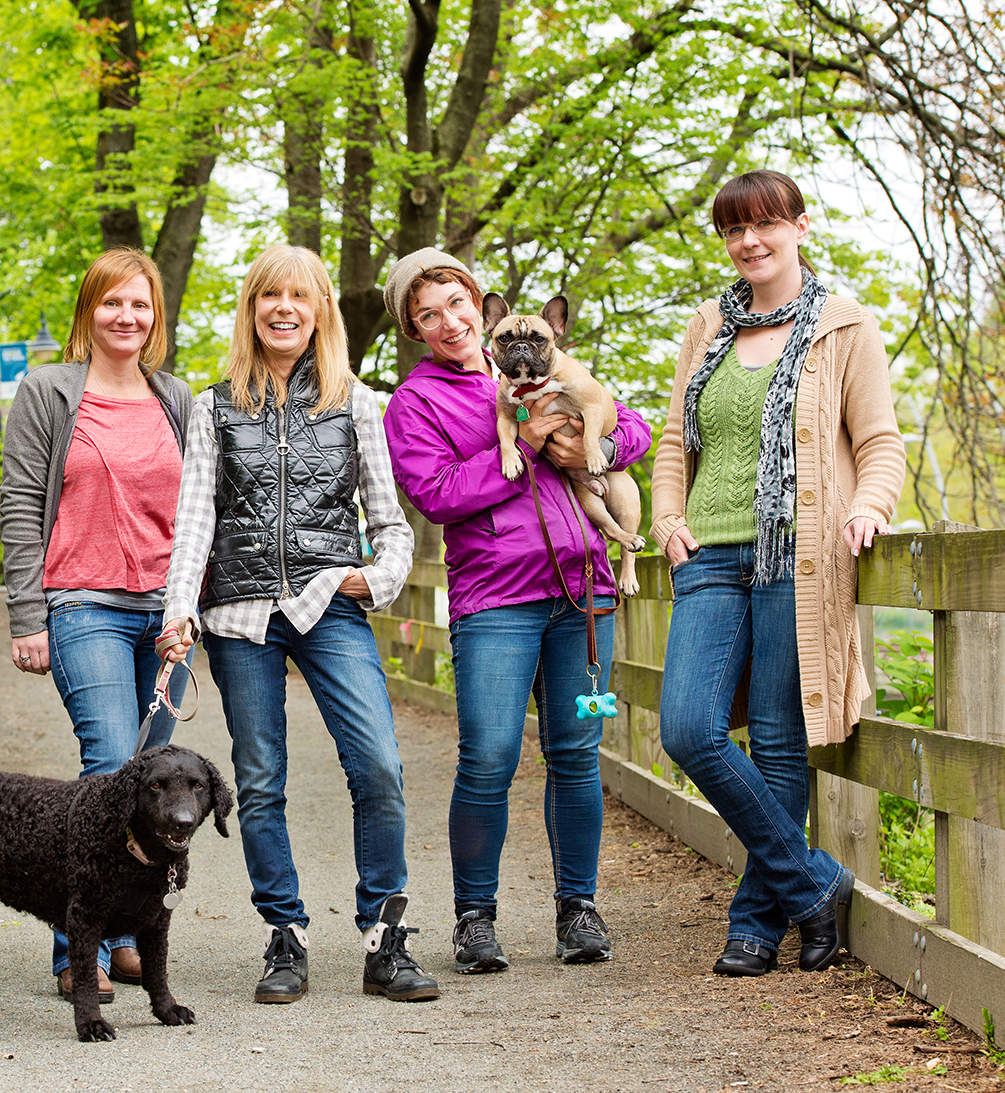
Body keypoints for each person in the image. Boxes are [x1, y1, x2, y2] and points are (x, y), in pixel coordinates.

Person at [160, 244, 439, 1005]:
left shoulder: (356, 402)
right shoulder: (212, 405)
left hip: (329, 605)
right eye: (268, 297)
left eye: (299, 297)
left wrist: (373, 577)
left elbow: (390, 521)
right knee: (259, 779)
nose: (284, 309)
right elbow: (193, 523)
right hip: (239, 614)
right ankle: (283, 933)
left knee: (377, 764)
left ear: (319, 311)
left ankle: (383, 936)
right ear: (251, 310)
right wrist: (178, 611)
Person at [652, 170, 904, 976]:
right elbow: (669, 442)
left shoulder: (843, 326)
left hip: (798, 555)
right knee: (688, 729)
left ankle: (754, 924)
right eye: (733, 230)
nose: (748, 241)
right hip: (708, 558)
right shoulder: (707, 325)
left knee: (776, 738)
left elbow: (878, 442)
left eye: (764, 224)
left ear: (799, 225)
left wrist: (869, 506)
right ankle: (814, 882)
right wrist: (665, 520)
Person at [382, 248, 652, 974]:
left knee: (574, 752)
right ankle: (474, 917)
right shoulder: (416, 402)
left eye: (455, 303)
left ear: (481, 305)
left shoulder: (559, 367)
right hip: (496, 596)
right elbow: (435, 494)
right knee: (489, 757)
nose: (447, 322)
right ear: (414, 329)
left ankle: (578, 908)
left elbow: (633, 431)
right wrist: (530, 445)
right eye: (426, 314)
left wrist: (585, 449)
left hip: (584, 592)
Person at [0, 248, 196, 1002]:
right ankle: (79, 948)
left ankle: (129, 934)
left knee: (158, 779)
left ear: (155, 316)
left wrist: (189, 608)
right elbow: (20, 501)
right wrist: (26, 612)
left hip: (164, 609)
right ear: (90, 310)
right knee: (110, 761)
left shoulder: (174, 396)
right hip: (83, 600)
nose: (126, 317)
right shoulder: (48, 390)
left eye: (140, 305)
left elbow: (198, 512)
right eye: (112, 303)